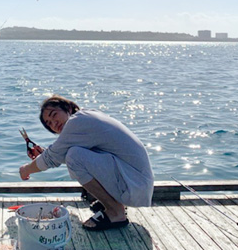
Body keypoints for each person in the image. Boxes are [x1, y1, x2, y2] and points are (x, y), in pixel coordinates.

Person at [19, 95, 154, 231]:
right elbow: (66, 156)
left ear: (68, 108)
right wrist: (44, 153)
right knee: (74, 155)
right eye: (49, 124)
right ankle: (112, 203)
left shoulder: (76, 123)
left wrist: (26, 170)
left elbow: (53, 159)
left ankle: (115, 211)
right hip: (137, 184)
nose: (54, 123)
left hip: (133, 187)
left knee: (74, 156)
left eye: (54, 115)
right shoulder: (86, 116)